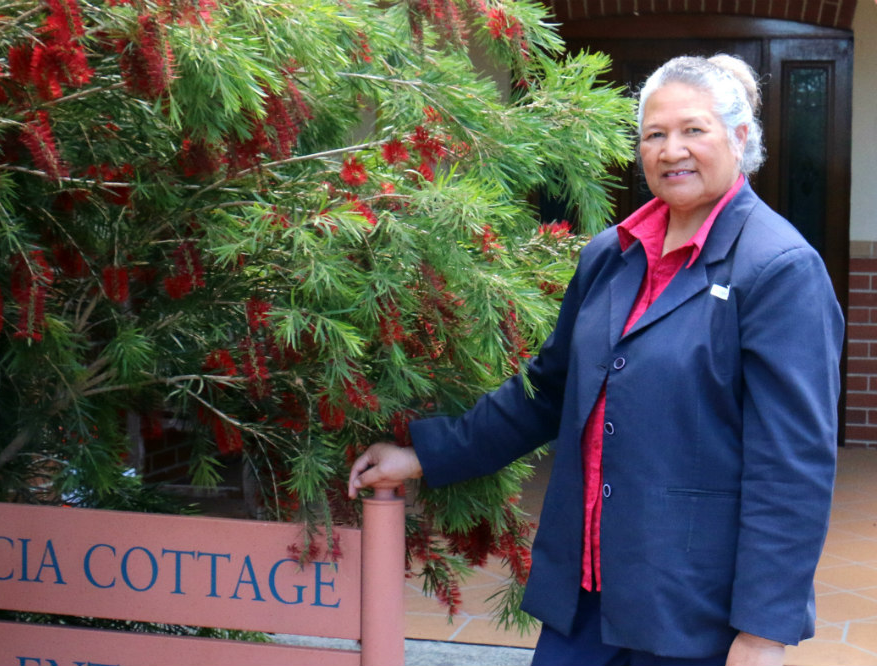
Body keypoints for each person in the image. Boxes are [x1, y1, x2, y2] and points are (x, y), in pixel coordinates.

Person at [348, 54, 844, 666]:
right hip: (586, 598)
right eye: (654, 135)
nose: (671, 151)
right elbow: (549, 389)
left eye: (694, 130)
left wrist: (764, 630)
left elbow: (791, 468)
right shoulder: (611, 256)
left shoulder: (779, 270)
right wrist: (427, 453)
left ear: (739, 139)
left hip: (693, 609)